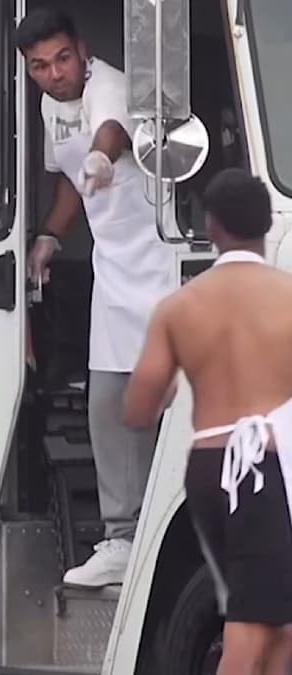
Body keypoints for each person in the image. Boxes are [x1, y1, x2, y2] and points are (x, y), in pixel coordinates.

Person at [16, 7, 179, 587]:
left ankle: (177, 539)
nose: (56, 73)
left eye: (63, 58)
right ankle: (121, 540)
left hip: (162, 266)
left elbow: (110, 133)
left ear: (81, 50)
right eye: (40, 66)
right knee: (108, 407)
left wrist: (102, 157)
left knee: (173, 410)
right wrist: (49, 237)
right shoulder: (44, 105)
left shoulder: (107, 83)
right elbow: (66, 179)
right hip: (113, 274)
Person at [124, 169, 292, 674]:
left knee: (278, 619)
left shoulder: (179, 307)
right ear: (266, 226)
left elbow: (138, 409)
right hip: (260, 469)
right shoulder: (286, 296)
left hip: (205, 468)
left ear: (213, 227)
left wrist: (176, 386)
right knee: (250, 623)